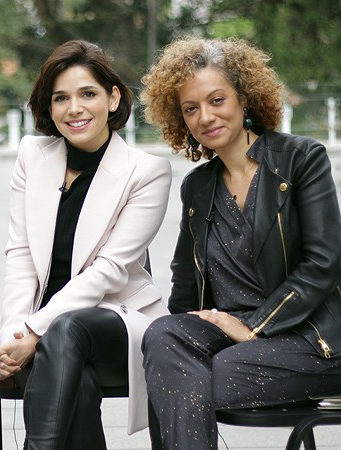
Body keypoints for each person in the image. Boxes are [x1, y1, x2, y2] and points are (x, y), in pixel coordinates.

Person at [139, 36, 341, 449]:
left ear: (244, 100)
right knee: (162, 338)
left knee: (179, 378)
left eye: (217, 100)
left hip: (310, 337)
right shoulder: (198, 187)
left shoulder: (301, 158)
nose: (205, 117)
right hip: (229, 336)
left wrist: (253, 326)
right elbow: (185, 281)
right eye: (190, 108)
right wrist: (186, 331)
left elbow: (324, 261)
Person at [0, 40, 172, 449]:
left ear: (113, 98)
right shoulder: (33, 155)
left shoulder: (147, 172)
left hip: (118, 322)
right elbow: (22, 254)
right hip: (44, 332)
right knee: (71, 373)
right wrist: (16, 330)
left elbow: (109, 271)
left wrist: (33, 329)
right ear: (49, 107)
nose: (74, 108)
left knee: (67, 329)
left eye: (87, 94)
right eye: (60, 98)